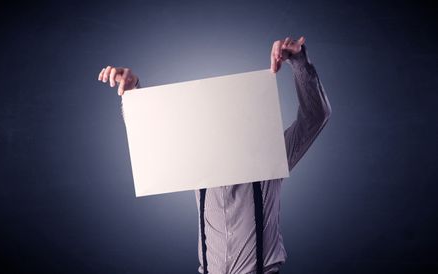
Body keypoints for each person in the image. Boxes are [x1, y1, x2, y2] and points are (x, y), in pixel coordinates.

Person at [97, 35, 332, 274]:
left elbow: (316, 117)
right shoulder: (195, 158)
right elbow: (151, 141)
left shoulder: (272, 154)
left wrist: (299, 62)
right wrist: (133, 91)